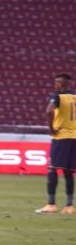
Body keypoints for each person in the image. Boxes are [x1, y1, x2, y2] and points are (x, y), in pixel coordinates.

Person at [35, 72, 76, 214]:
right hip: (74, 137)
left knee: (52, 169)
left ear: (65, 84)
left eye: (58, 82)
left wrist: (51, 129)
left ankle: (51, 204)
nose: (56, 84)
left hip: (61, 137)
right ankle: (69, 206)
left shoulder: (57, 97)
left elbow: (48, 112)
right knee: (68, 171)